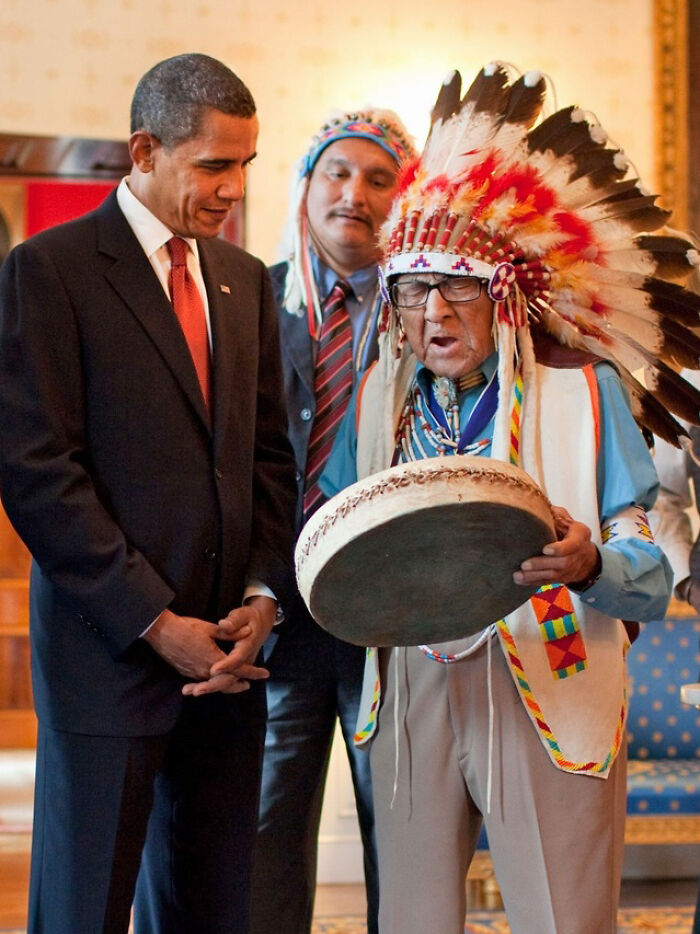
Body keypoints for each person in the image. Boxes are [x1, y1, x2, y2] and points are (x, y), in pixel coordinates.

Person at [318, 64, 700, 934]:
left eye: (459, 287)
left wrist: (592, 560)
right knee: (410, 918)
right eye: (414, 290)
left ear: (508, 297)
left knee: (563, 917)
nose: (434, 312)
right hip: (410, 679)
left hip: (551, 667)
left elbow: (649, 564)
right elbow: (335, 525)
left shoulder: (582, 392)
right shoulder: (381, 393)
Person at [0, 53, 297, 934]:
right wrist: (154, 622)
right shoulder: (47, 271)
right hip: (109, 661)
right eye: (214, 164)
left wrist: (260, 596)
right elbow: (38, 471)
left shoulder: (246, 285)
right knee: (84, 909)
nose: (234, 188)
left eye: (245, 163)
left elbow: (270, 460)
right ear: (143, 151)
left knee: (212, 909)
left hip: (229, 668)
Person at [248, 109, 415, 934]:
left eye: (379, 178)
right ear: (306, 186)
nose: (355, 194)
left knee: (405, 827)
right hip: (276, 610)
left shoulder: (430, 317)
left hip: (394, 610)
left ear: (404, 198)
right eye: (337, 173)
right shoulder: (250, 302)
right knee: (267, 824)